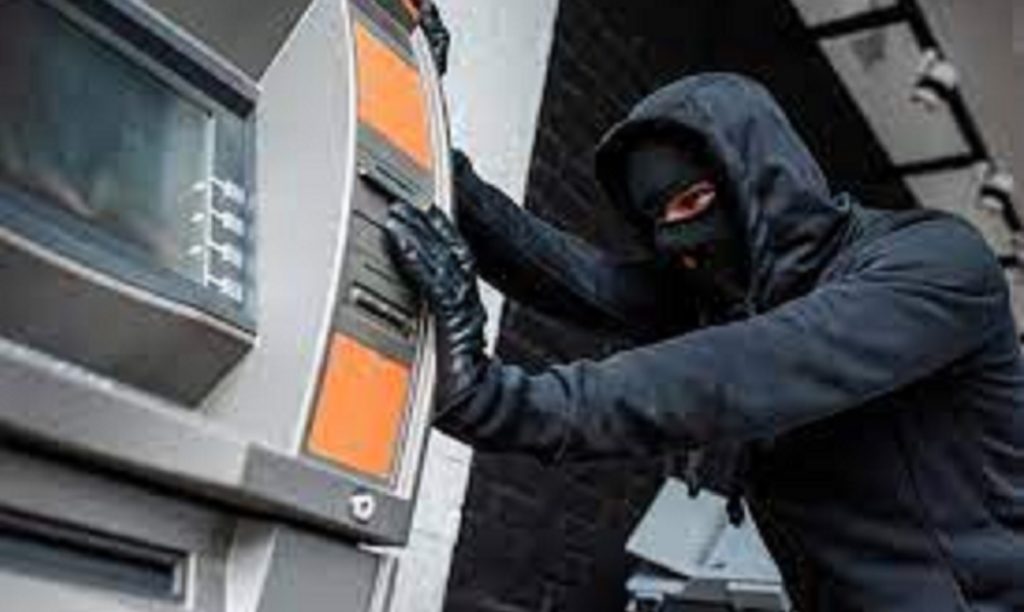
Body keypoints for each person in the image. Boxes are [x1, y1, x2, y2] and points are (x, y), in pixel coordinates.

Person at [387, 9, 1024, 610]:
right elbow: (585, 281)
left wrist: (503, 403)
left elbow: (760, 364)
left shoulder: (935, 264)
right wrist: (432, 136)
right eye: (658, 219)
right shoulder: (741, 292)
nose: (679, 238)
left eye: (693, 201)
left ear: (764, 180)